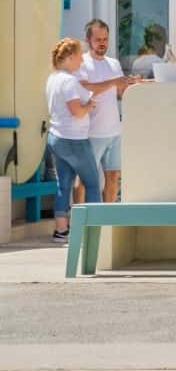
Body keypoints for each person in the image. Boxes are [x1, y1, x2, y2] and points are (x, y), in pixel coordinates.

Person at [46, 38, 101, 243]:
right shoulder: (69, 81)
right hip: (74, 139)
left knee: (64, 185)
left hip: (56, 137)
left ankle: (61, 231)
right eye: (79, 56)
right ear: (70, 57)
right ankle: (95, 232)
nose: (81, 61)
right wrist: (89, 106)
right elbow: (76, 111)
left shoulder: (52, 78)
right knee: (93, 184)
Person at [75, 20, 134, 204]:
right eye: (98, 39)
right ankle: (80, 220)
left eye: (105, 39)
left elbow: (119, 93)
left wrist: (130, 84)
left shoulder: (114, 63)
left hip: (114, 132)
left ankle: (107, 221)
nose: (102, 43)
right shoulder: (82, 63)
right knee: (85, 180)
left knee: (113, 177)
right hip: (91, 132)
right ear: (88, 39)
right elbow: (85, 89)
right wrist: (114, 82)